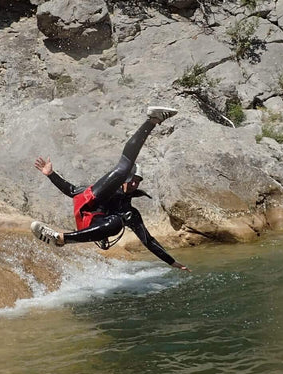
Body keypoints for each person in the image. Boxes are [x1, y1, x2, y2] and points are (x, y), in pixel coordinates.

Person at [30, 106, 189, 270]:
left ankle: (60, 238)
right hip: (87, 213)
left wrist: (172, 262)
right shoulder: (111, 189)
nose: (135, 184)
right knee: (122, 169)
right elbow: (71, 191)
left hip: (95, 227)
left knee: (117, 222)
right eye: (132, 180)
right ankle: (152, 120)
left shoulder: (130, 213)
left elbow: (148, 241)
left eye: (138, 181)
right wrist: (50, 174)